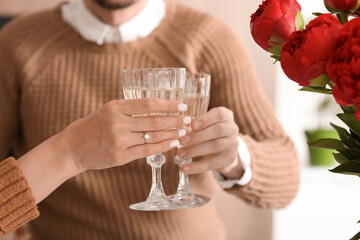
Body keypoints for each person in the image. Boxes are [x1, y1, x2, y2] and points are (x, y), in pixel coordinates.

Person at [0, 0, 300, 239]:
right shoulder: (16, 45)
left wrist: (236, 157)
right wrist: (69, 150)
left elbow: (287, 182)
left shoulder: (207, 37)